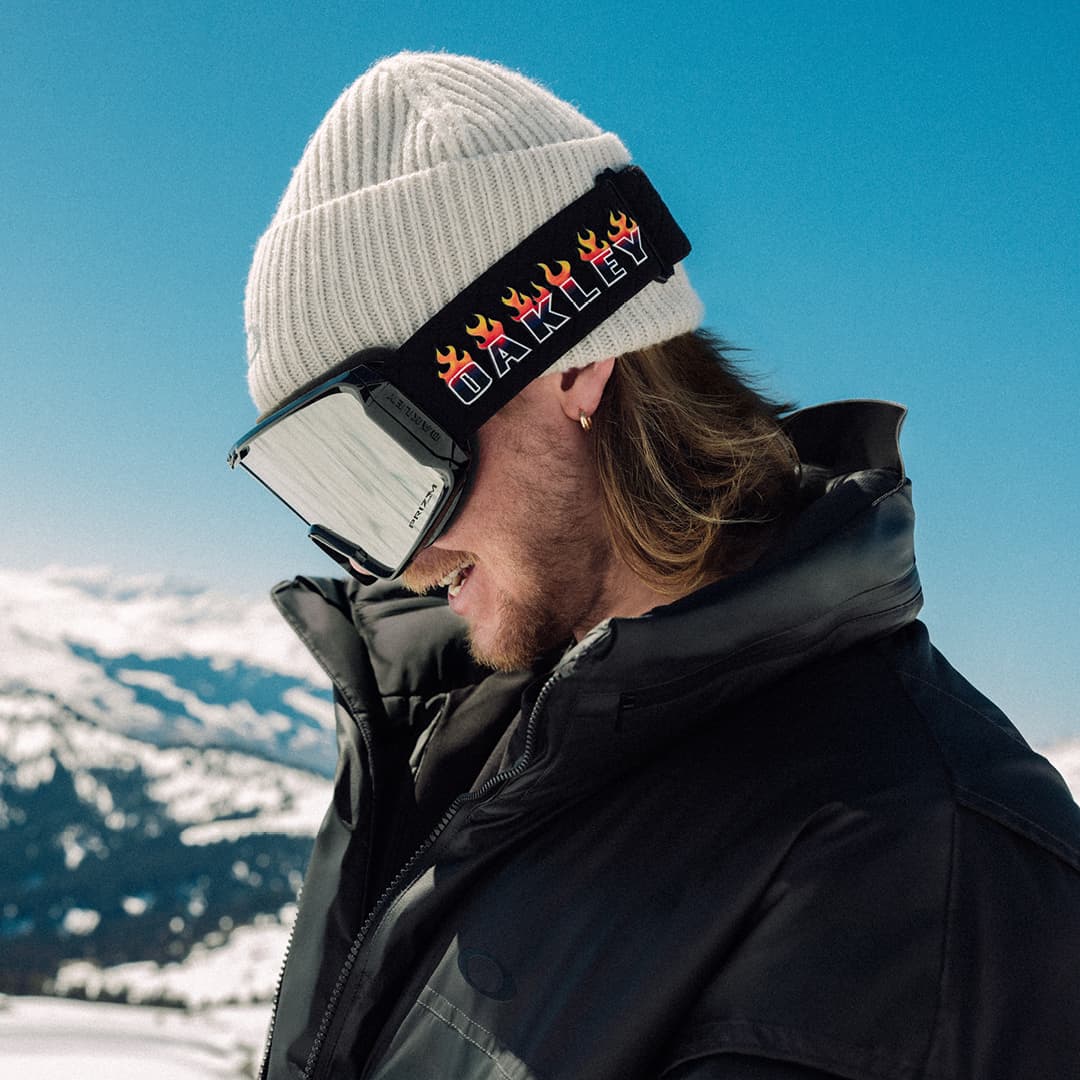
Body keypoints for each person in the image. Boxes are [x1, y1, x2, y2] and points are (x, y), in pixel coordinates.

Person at [232, 52, 1080, 1080]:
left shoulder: (928, 868)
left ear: (573, 365)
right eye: (321, 484)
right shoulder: (462, 733)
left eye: (379, 460)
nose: (397, 566)